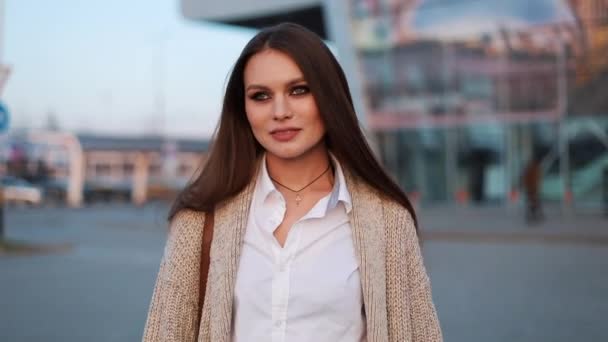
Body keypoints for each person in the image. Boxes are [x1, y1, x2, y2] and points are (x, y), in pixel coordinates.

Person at [143, 23, 442, 342]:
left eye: (299, 90)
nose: (280, 112)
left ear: (329, 97)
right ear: (243, 109)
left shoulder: (388, 220)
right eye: (261, 96)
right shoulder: (200, 219)